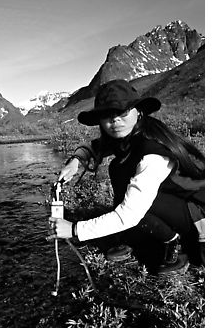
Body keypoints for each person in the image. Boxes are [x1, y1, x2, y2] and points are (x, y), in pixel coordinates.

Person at [48, 79, 205, 275]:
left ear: (138, 112)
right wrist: (76, 160)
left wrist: (74, 230)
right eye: (106, 115)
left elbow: (129, 214)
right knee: (120, 169)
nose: (115, 121)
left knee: (131, 191)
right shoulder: (129, 135)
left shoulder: (152, 153)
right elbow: (95, 146)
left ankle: (173, 243)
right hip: (179, 205)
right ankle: (136, 236)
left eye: (122, 112)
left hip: (200, 215)